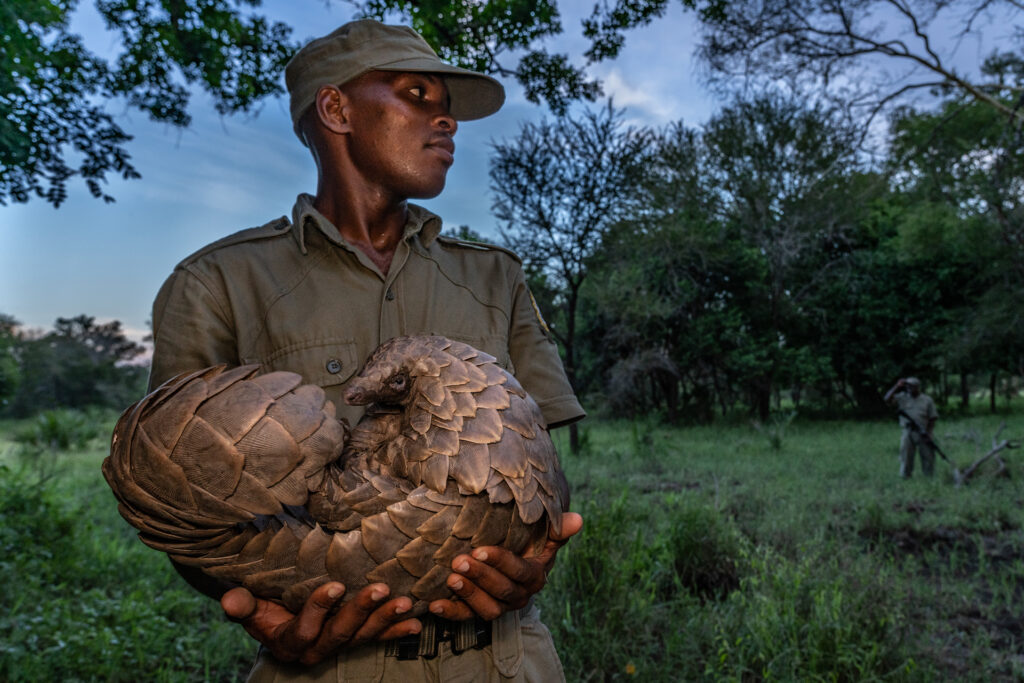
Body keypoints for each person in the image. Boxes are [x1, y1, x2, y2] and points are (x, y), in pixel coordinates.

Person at [146, 18, 585, 682]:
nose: (447, 123)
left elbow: (545, 466)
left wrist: (535, 555)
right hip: (325, 667)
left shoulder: (496, 277)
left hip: (506, 659)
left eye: (448, 107)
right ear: (336, 108)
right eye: (417, 94)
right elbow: (180, 497)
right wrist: (257, 607)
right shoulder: (218, 284)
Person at [884, 377, 939, 478]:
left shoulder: (927, 400)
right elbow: (887, 399)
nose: (909, 388)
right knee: (906, 455)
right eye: (908, 386)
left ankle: (929, 477)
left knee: (928, 456)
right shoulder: (902, 397)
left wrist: (929, 432)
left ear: (918, 387)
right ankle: (905, 476)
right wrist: (897, 386)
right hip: (908, 431)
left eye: (912, 386)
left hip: (923, 431)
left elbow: (933, 417)